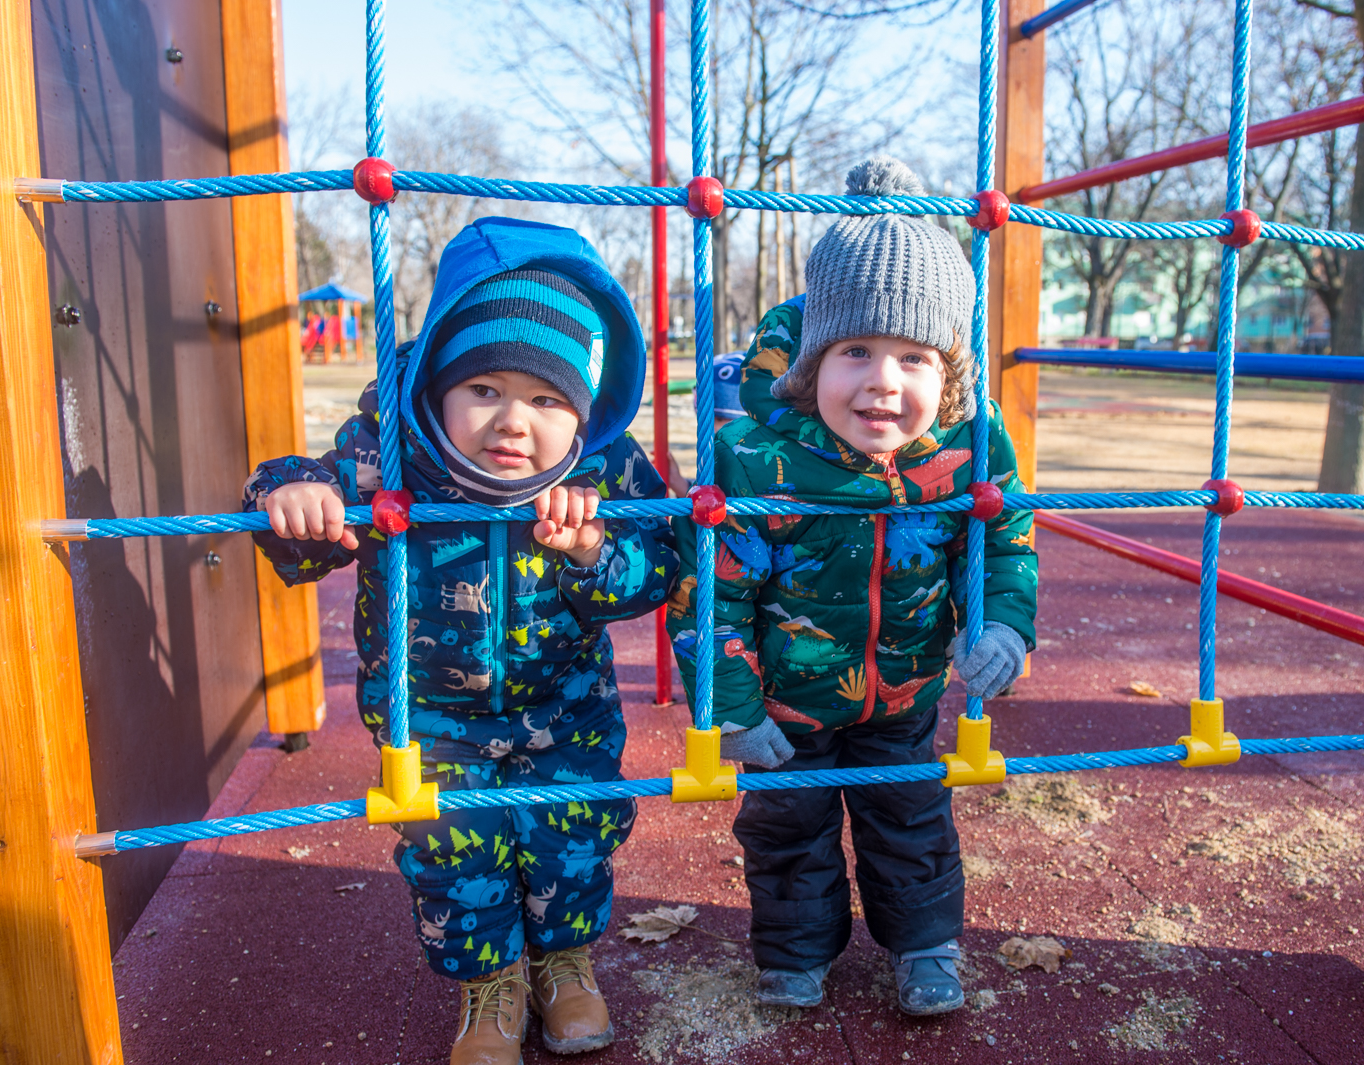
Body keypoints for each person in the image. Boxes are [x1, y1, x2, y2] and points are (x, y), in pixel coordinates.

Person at [244, 217, 677, 1065]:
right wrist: (292, 493)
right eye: (485, 389)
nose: (515, 422)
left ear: (581, 410)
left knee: (573, 831)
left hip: (567, 706)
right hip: (433, 716)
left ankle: (565, 962)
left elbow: (661, 571)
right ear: (439, 387)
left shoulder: (601, 469)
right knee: (452, 850)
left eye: (548, 400)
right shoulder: (392, 456)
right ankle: (492, 988)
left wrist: (592, 550)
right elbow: (302, 520)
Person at [664, 157, 1038, 1016]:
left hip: (902, 694)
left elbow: (1002, 541)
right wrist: (732, 707)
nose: (883, 380)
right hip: (785, 706)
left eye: (914, 357)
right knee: (786, 832)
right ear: (810, 362)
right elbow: (710, 592)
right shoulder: (760, 461)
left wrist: (1006, 624)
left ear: (945, 377)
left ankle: (926, 943)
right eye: (855, 351)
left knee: (911, 819)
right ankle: (795, 953)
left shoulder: (964, 454)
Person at [664, 348, 744, 497]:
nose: (713, 429)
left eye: (722, 419)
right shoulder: (716, 458)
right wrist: (677, 481)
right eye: (706, 421)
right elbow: (707, 503)